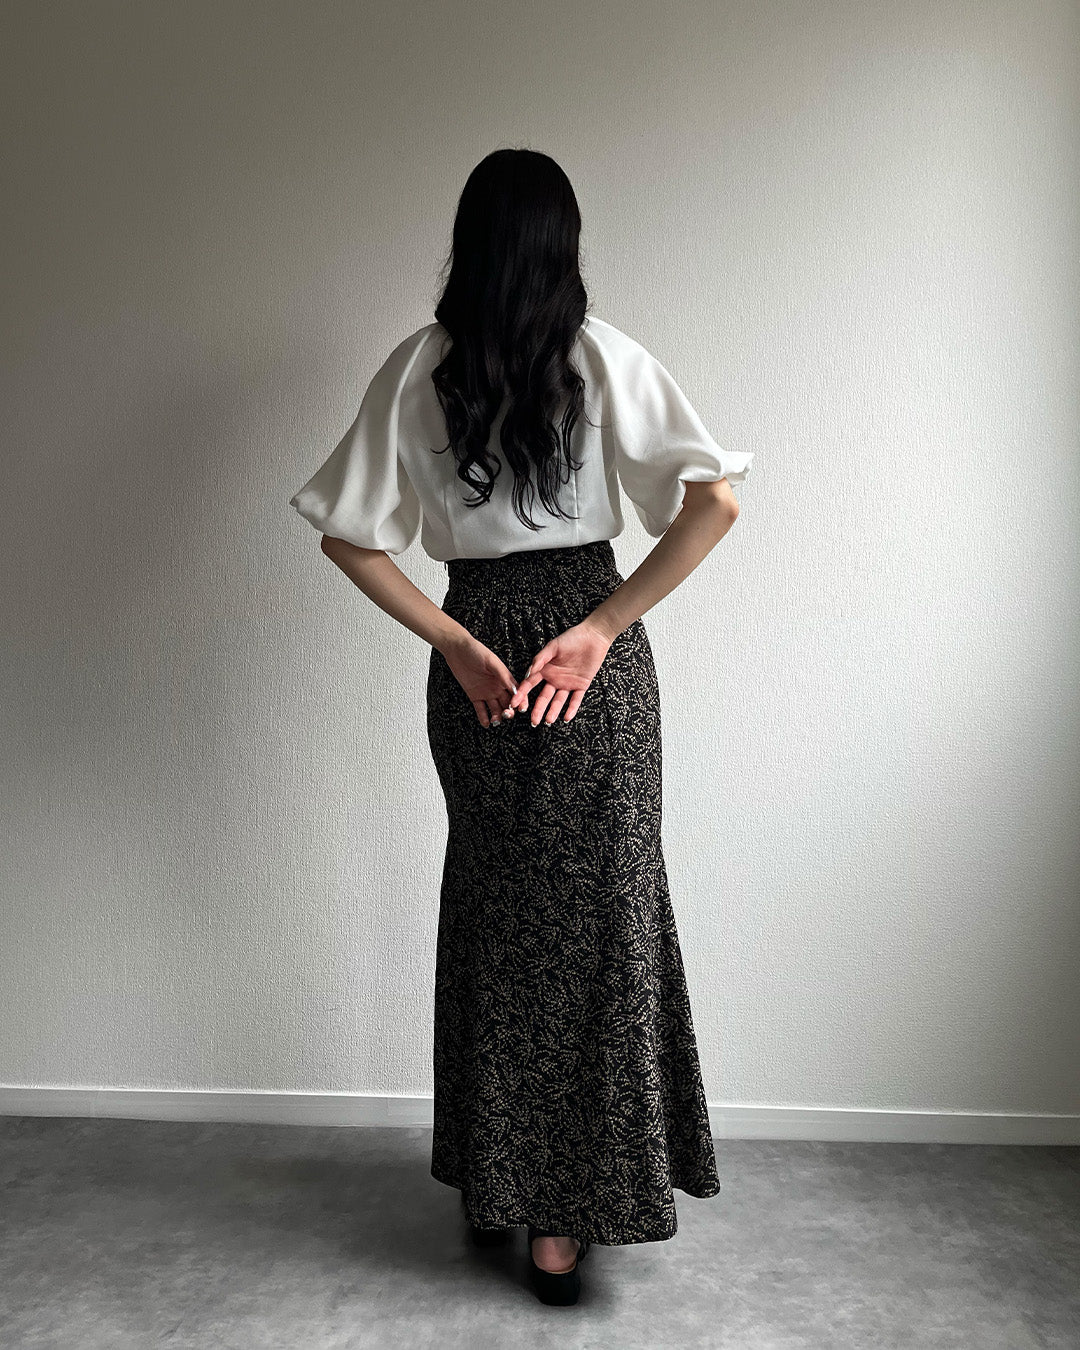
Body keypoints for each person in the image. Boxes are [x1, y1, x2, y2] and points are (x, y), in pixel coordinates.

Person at [289, 147, 753, 1307]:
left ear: (470, 242)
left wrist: (452, 641)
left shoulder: (420, 366)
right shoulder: (603, 356)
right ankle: (557, 1214)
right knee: (599, 922)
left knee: (501, 915)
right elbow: (716, 501)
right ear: (564, 245)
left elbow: (348, 535)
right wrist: (602, 626)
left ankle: (508, 1184)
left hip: (484, 651)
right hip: (589, 650)